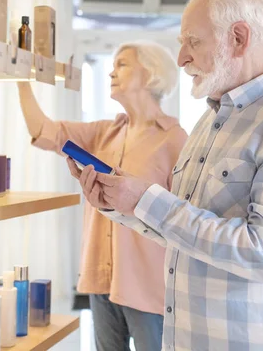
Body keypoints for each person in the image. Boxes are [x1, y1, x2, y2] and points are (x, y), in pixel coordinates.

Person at [69, 0, 263, 351]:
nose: (181, 59)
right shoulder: (209, 121)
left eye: (192, 42)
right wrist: (119, 203)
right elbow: (180, 233)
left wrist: (147, 198)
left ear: (239, 38)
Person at [17, 40, 187, 351]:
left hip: (148, 284)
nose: (111, 71)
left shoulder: (175, 140)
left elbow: (184, 218)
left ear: (150, 74)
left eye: (122, 64)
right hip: (102, 279)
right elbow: (44, 131)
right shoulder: (105, 133)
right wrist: (19, 76)